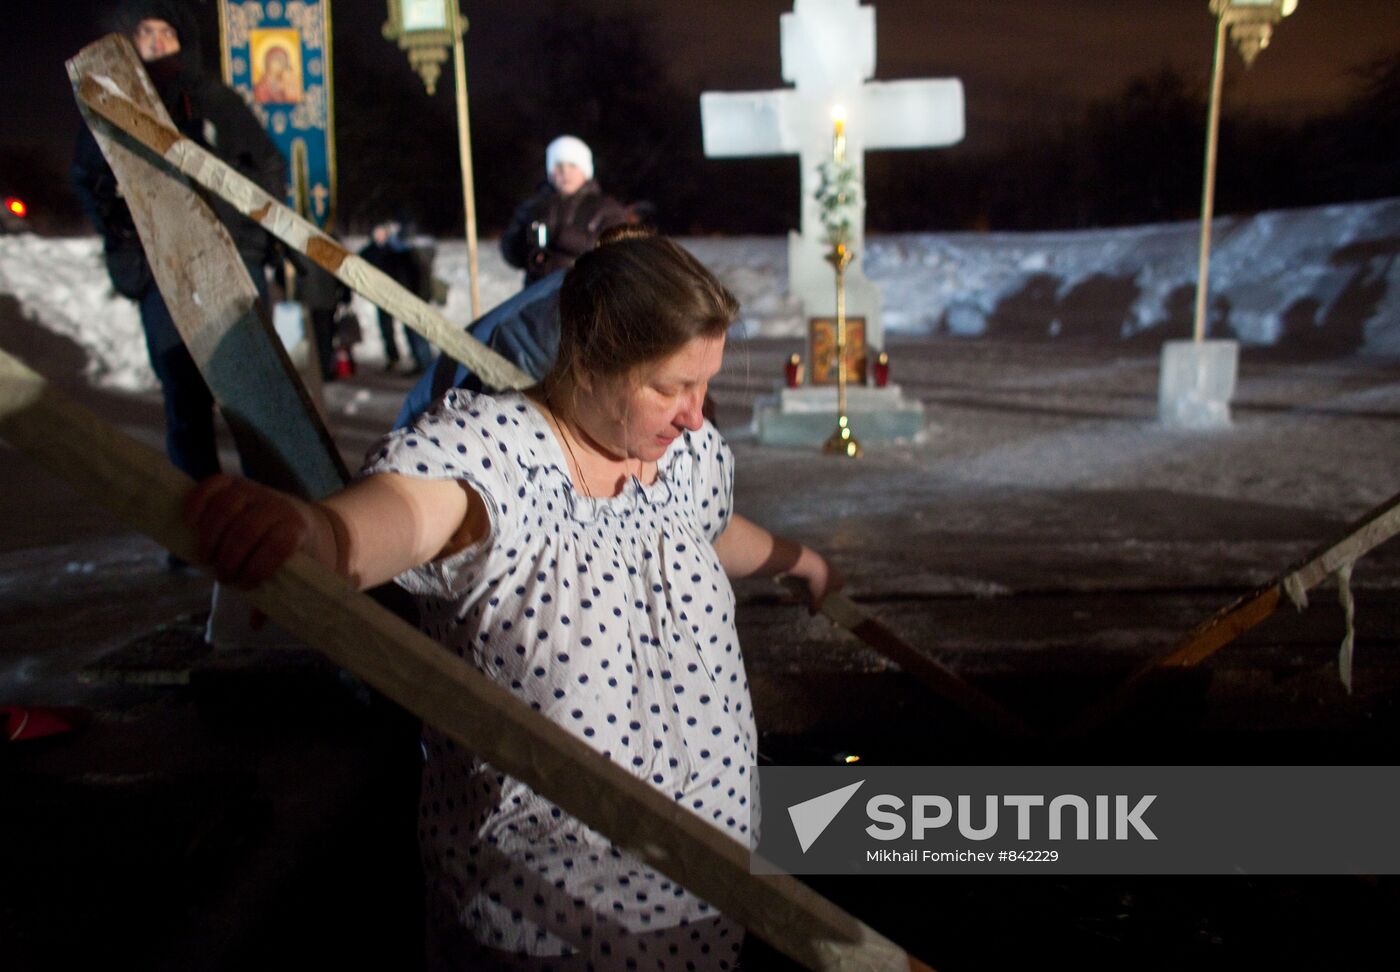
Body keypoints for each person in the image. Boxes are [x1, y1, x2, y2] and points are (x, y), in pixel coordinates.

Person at [185, 227, 839, 969]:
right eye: (671, 387)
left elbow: (704, 530)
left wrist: (799, 561)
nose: (697, 412)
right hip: (552, 916)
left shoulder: (681, 456)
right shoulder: (496, 451)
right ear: (590, 359)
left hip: (709, 892)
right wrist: (315, 533)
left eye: (704, 384)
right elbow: (406, 514)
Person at [71, 1, 286, 492]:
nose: (154, 42)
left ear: (181, 41)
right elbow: (89, 179)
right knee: (184, 399)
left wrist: (250, 239)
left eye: (165, 33)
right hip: (159, 271)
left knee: (255, 394)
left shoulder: (216, 102)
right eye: (144, 33)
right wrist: (123, 233)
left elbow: (268, 169)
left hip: (229, 262)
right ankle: (199, 524)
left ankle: (276, 510)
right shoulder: (112, 106)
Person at [501, 135, 631, 287]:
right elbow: (510, 250)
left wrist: (563, 237)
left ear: (585, 170)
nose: (565, 172)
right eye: (558, 166)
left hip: (586, 295)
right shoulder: (533, 207)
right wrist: (528, 246)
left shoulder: (606, 208)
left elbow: (617, 252)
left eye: (572, 166)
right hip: (538, 296)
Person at [360, 221, 431, 374]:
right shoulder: (371, 251)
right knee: (387, 328)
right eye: (376, 234)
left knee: (413, 329)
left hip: (405, 295)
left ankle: (423, 362)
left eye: (382, 233)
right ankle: (395, 358)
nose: (379, 237)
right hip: (383, 295)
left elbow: (416, 274)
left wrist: (418, 294)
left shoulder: (400, 251)